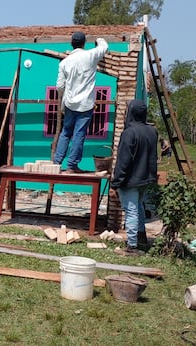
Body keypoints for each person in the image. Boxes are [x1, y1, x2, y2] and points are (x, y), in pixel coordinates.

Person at [53, 31, 109, 173]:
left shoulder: (64, 62)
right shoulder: (90, 55)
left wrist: (65, 97)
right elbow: (104, 47)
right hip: (85, 104)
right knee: (79, 134)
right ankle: (72, 166)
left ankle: (56, 163)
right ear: (84, 44)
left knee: (65, 133)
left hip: (70, 103)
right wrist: (99, 38)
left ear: (72, 44)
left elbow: (59, 86)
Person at [110, 99, 158, 256]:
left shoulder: (130, 133)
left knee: (130, 210)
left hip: (131, 179)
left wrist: (116, 182)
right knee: (139, 207)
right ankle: (141, 235)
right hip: (146, 178)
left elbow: (123, 161)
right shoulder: (152, 131)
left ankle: (131, 245)